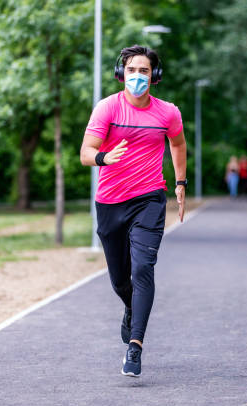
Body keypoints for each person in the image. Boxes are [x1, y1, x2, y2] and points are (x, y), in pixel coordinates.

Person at [80, 45, 187, 377]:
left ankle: (135, 347)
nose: (137, 77)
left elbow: (178, 144)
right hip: (111, 201)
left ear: (154, 76)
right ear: (121, 74)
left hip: (150, 199)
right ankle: (130, 308)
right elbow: (85, 152)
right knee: (119, 279)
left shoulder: (168, 112)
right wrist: (103, 158)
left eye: (144, 71)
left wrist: (180, 182)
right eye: (132, 70)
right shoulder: (107, 108)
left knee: (143, 269)